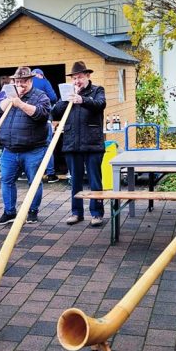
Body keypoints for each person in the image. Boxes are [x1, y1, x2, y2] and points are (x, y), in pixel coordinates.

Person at [51, 61, 107, 227]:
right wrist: (66, 99)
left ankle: (97, 213)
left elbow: (100, 105)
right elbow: (55, 113)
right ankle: (76, 213)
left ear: (87, 76)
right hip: (72, 143)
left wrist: (82, 99)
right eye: (74, 78)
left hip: (92, 143)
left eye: (80, 77)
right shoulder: (67, 93)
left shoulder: (98, 90)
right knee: (75, 181)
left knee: (94, 181)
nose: (77, 81)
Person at [0, 67, 51, 225]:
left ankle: (32, 211)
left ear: (30, 81)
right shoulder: (8, 95)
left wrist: (20, 104)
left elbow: (42, 114)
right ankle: (9, 212)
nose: (20, 84)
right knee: (6, 180)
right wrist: (11, 99)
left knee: (34, 182)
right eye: (17, 81)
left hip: (33, 149)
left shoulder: (40, 96)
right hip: (10, 149)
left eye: (23, 82)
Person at [31, 69, 60, 183]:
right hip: (44, 119)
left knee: (31, 147)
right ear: (41, 75)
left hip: (29, 120)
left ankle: (31, 173)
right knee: (47, 146)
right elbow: (53, 98)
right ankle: (51, 174)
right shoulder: (44, 82)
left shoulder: (27, 82)